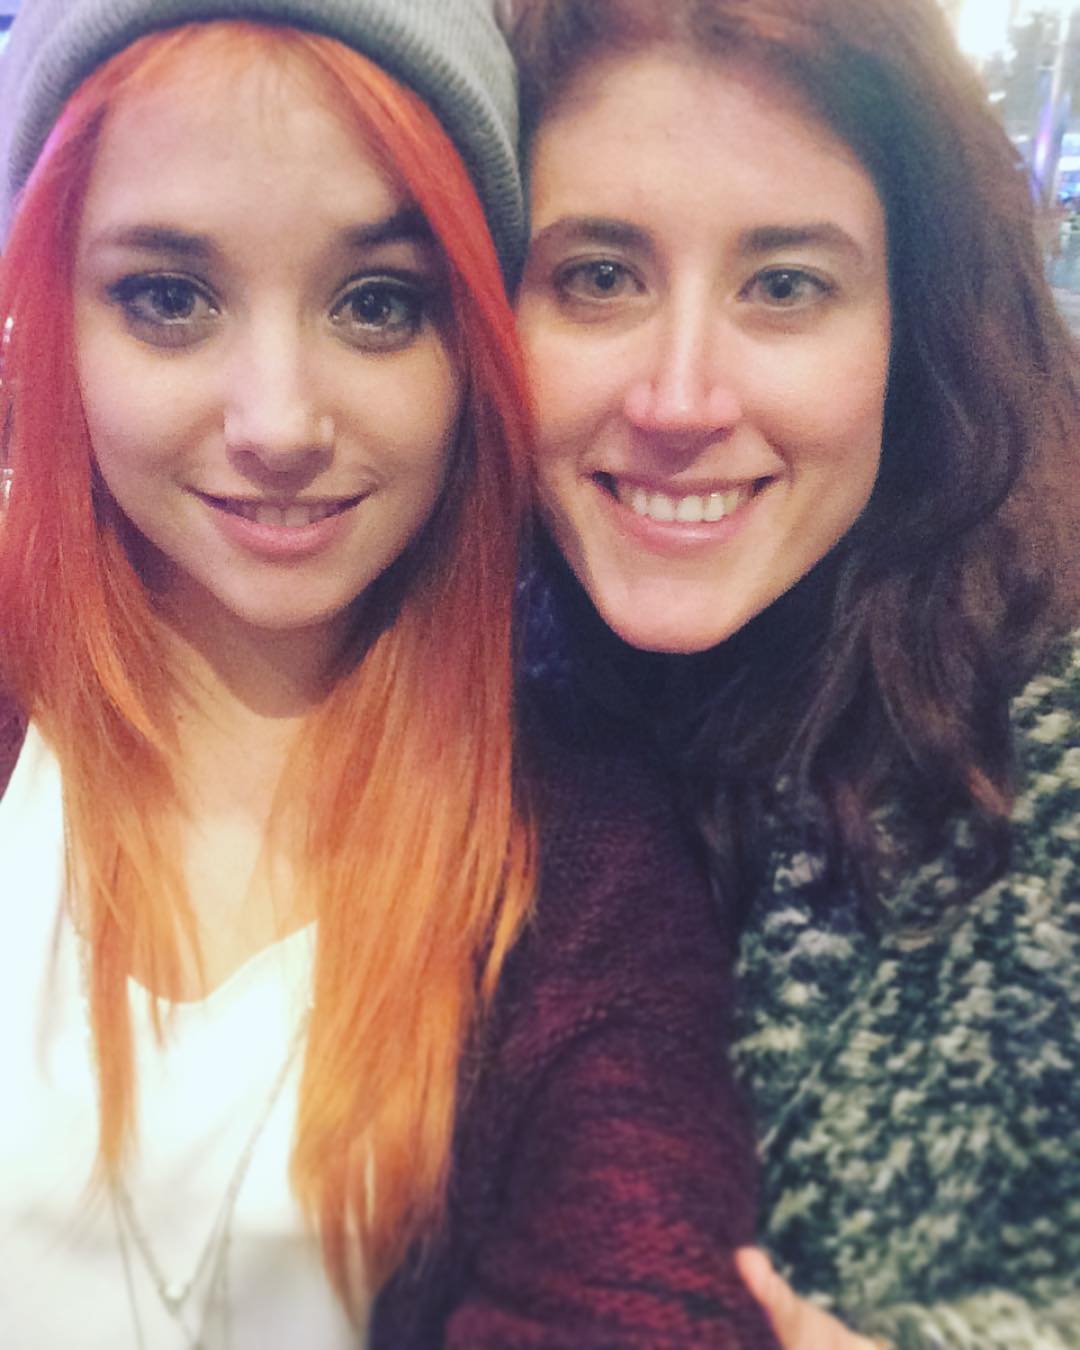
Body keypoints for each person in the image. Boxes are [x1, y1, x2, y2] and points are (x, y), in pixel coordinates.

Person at [0, 1, 777, 1346]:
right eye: (170, 298)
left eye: (377, 305)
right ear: (50, 317)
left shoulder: (583, 865)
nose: (279, 424)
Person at [507, 0, 1080, 1346]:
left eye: (784, 285)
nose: (680, 400)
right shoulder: (410, 688)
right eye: (600, 275)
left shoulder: (1045, 745)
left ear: (912, 327)